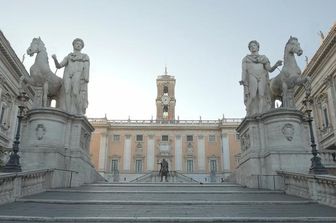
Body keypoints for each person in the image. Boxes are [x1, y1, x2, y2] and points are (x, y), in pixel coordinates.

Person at [240, 40, 282, 116]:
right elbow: (244, 71)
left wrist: (276, 65)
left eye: (254, 45)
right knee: (252, 96)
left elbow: (269, 69)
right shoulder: (246, 59)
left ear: (258, 47)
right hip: (252, 75)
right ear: (249, 49)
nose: (253, 47)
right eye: (251, 46)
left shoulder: (264, 58)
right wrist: (243, 80)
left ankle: (260, 114)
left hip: (262, 76)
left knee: (262, 95)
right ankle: (248, 112)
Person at [52, 38, 90, 115]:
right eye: (77, 43)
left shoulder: (85, 56)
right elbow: (59, 66)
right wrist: (55, 59)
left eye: (80, 44)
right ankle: (68, 112)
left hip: (78, 74)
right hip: (67, 74)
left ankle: (79, 112)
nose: (78, 45)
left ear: (82, 46)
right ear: (73, 45)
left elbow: (86, 68)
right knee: (67, 92)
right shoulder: (68, 56)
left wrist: (85, 78)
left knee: (75, 92)